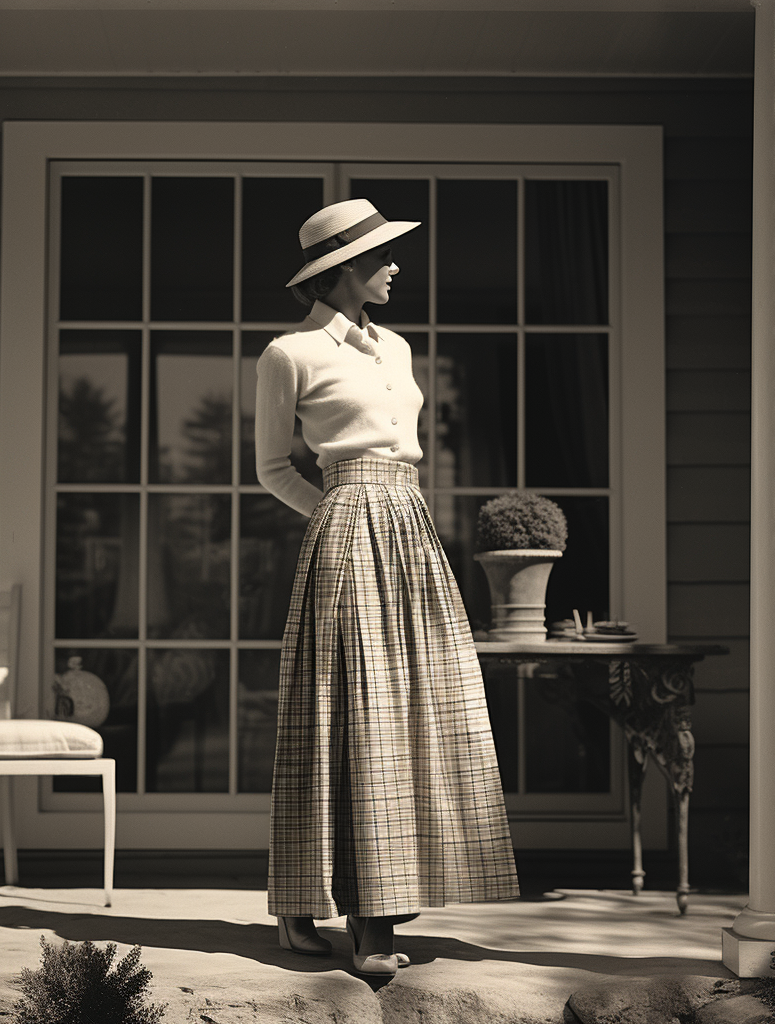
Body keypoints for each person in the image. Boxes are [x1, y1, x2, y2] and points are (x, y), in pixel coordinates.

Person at [256, 199, 519, 977]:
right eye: (382, 256)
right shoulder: (289, 354)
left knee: (421, 708)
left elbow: (402, 455)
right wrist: (336, 511)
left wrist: (385, 510)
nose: (397, 265)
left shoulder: (399, 349)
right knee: (354, 711)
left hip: (411, 527)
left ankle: (350, 895)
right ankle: (368, 921)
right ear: (340, 271)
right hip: (349, 525)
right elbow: (275, 468)